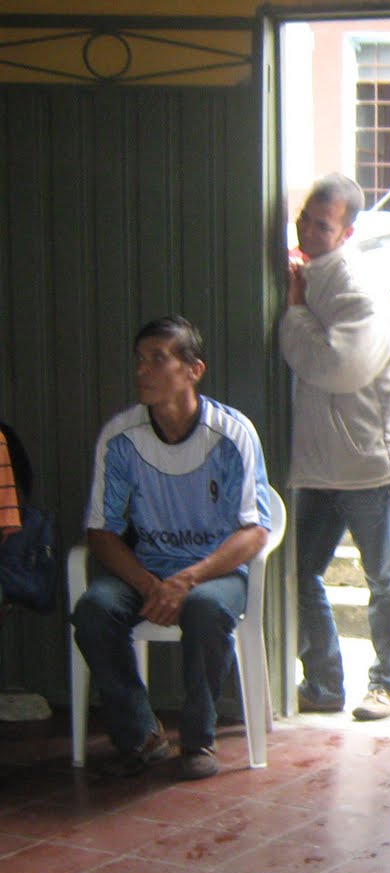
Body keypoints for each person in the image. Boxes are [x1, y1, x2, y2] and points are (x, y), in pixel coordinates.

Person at [72, 316, 273, 781]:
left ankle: (198, 738)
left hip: (215, 572)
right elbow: (101, 532)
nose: (142, 370)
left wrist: (187, 579)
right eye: (139, 360)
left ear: (193, 370)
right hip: (147, 568)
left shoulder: (231, 434)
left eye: (157, 359)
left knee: (205, 608)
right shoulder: (121, 437)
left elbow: (254, 532)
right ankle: (141, 734)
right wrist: (149, 584)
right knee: (94, 611)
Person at [281, 172, 390, 722]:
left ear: (347, 232)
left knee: (387, 579)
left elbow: (337, 367)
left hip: (369, 465)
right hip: (317, 466)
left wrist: (296, 312)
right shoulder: (307, 275)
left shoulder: (357, 287)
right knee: (296, 573)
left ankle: (389, 686)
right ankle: (323, 683)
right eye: (304, 221)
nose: (308, 232)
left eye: (322, 225)